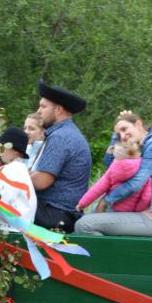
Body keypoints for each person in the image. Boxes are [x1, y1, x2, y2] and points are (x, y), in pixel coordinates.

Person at [74, 111, 152, 237]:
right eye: (119, 134)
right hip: (143, 211)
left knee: (84, 225)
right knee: (92, 213)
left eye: (124, 129)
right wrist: (116, 138)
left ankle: (111, 251)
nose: (122, 135)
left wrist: (106, 200)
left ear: (138, 124)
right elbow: (111, 166)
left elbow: (136, 183)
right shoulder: (139, 146)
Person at [29, 81, 92, 232]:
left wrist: (14, 176)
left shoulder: (60, 137)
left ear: (58, 110)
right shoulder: (69, 132)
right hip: (63, 213)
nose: (38, 111)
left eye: (43, 107)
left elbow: (42, 181)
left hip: (56, 214)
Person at [76, 139, 152, 214]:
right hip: (129, 213)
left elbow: (98, 188)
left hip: (110, 207)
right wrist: (137, 211)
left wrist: (83, 203)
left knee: (92, 214)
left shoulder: (113, 170)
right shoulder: (145, 170)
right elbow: (146, 197)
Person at [0, 125, 37, 223]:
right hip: (21, 225)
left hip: (12, 227)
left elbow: (3, 198)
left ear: (15, 151)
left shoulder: (13, 169)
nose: (0, 151)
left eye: (3, 147)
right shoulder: (20, 169)